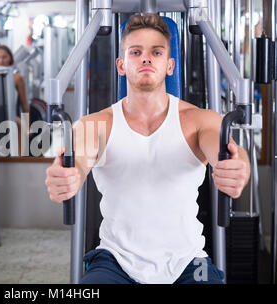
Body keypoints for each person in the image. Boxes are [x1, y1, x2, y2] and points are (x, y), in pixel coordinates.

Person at [45, 14, 251, 284]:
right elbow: (77, 161)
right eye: (135, 52)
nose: (146, 58)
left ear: (170, 65)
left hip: (190, 263)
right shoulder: (97, 124)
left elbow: (227, 150)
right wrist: (67, 177)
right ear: (121, 65)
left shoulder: (200, 121)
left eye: (156, 52)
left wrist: (239, 166)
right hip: (114, 262)